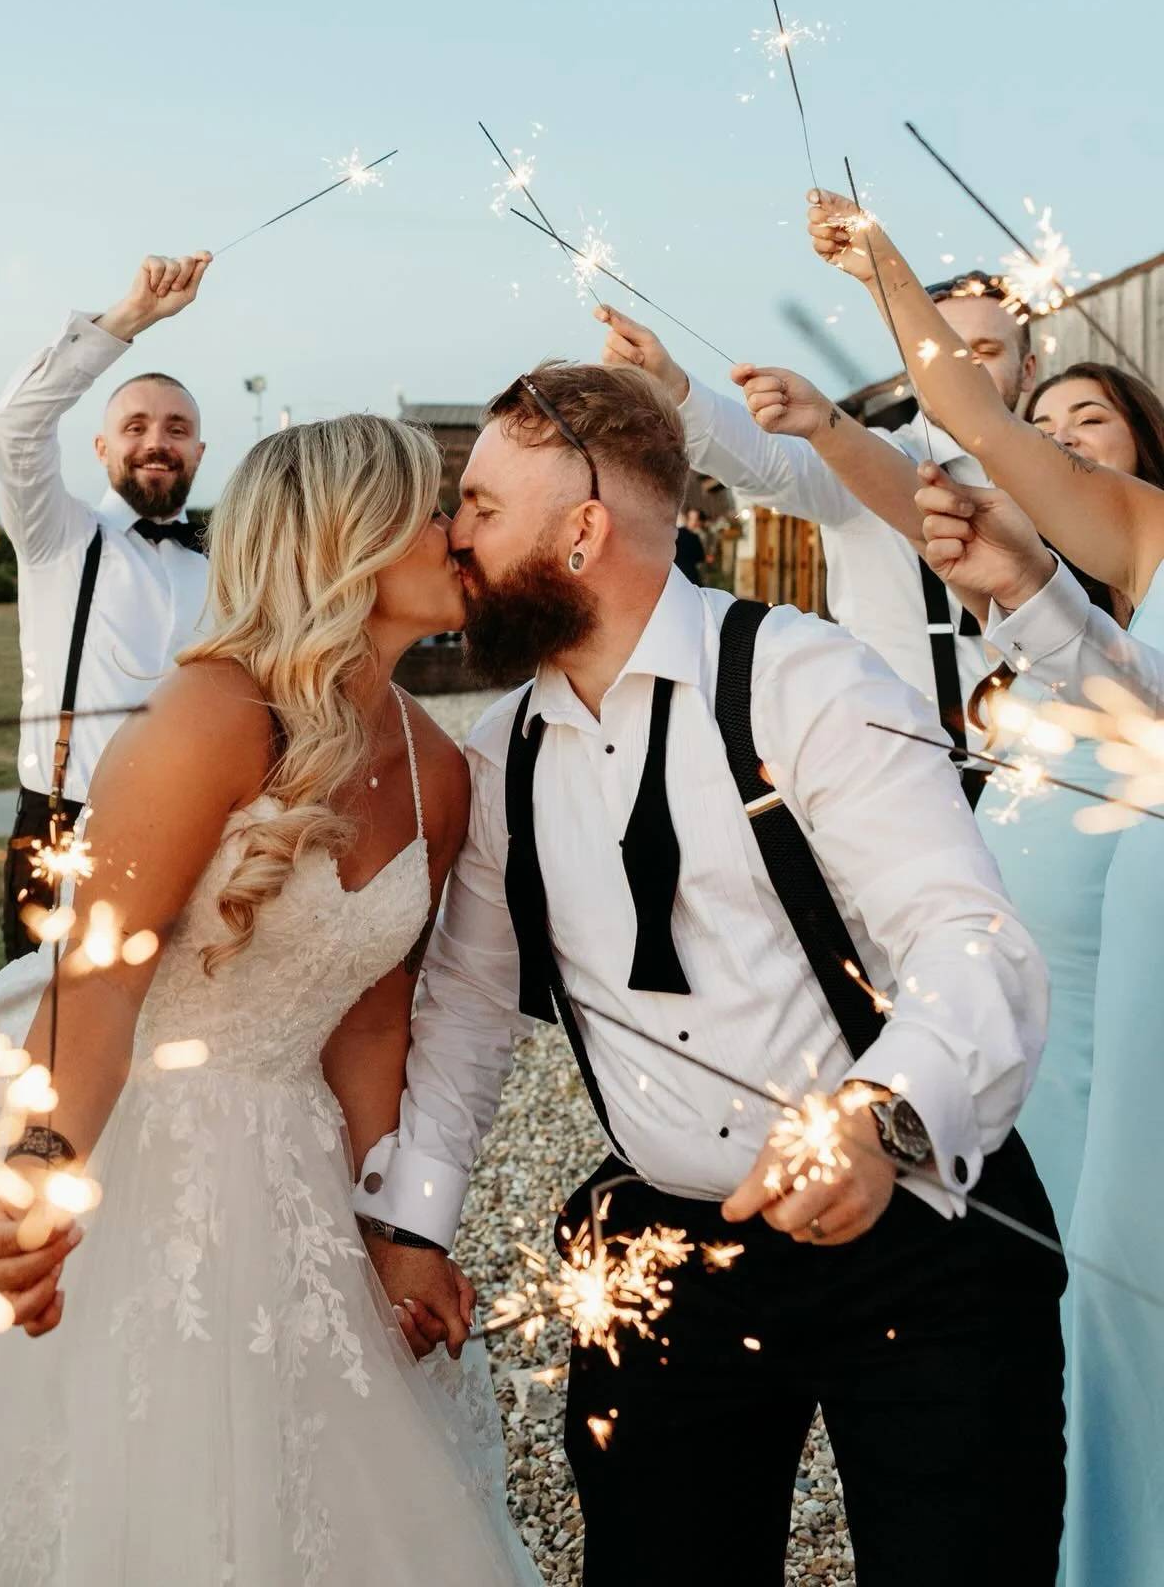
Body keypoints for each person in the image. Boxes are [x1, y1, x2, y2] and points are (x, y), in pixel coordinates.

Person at [0, 415, 541, 1587]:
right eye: (435, 507)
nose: (460, 533)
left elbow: (369, 1016)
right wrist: (44, 1165)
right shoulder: (209, 716)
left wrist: (394, 1227)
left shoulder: (435, 762)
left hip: (290, 1155)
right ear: (348, 536)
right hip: (123, 1116)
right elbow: (98, 982)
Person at [356, 359, 1062, 1585]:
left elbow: (969, 936)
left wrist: (876, 1116)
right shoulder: (499, 755)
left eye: (476, 505)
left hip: (916, 1235)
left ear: (582, 531)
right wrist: (413, 1221)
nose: (449, 537)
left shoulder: (809, 683)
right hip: (660, 1264)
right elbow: (468, 1009)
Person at [810, 184, 1164, 1587]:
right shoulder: (1145, 531)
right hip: (1148, 920)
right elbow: (970, 423)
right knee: (1132, 1270)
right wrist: (893, 276)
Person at [597, 270, 1036, 760]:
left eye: (986, 352)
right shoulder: (869, 463)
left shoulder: (1075, 488)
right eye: (940, 354)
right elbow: (772, 463)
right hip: (906, 784)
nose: (962, 371)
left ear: (1030, 369)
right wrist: (673, 389)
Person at [0, 251, 214, 960]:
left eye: (176, 429)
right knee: (44, 1041)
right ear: (101, 446)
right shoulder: (57, 536)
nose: (157, 442)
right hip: (64, 828)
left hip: (194, 834)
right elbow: (13, 428)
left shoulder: (223, 566)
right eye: (137, 426)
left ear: (199, 452)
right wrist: (129, 320)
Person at [673, 504, 708, 583]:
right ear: (687, 519)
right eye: (692, 519)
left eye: (696, 519)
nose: (694, 522)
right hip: (678, 574)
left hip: (691, 574)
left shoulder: (698, 536)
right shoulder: (677, 534)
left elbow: (700, 557)